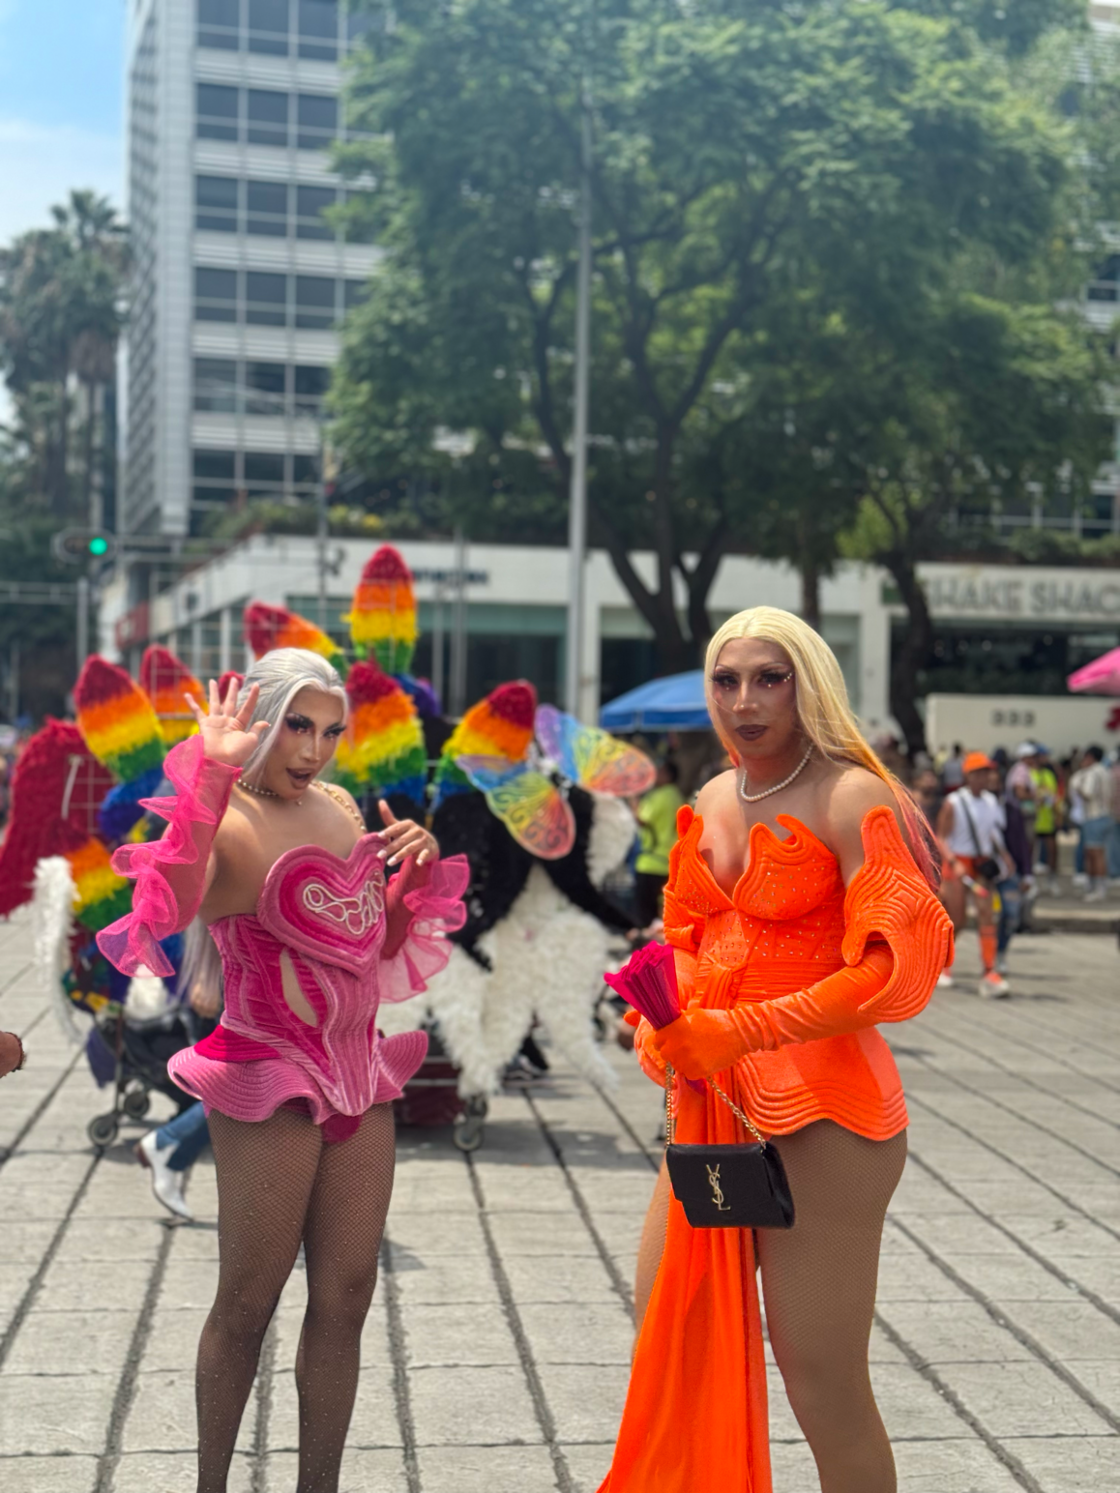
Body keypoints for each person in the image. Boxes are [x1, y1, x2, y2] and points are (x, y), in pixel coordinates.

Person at [598, 606, 951, 1493]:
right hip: (710, 1107)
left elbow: (889, 970)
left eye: (770, 677)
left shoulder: (852, 795)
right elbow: (683, 933)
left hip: (828, 1116)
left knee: (823, 1383)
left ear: (810, 684)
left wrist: (747, 1027)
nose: (746, 700)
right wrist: (660, 1014)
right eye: (727, 680)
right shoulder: (711, 800)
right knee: (669, 1341)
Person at [96, 650, 468, 1493]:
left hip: (359, 1075)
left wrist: (411, 881)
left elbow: (369, 950)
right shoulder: (223, 820)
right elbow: (174, 906)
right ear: (257, 715)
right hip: (266, 1076)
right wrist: (207, 782)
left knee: (348, 1293)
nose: (314, 748)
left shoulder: (340, 807)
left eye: (331, 730)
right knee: (247, 1303)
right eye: (297, 724)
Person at [936, 752, 1012, 997]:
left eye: (987, 772)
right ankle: (943, 966)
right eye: (979, 772)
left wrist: (1004, 856)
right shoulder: (954, 802)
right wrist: (951, 861)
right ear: (968, 775)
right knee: (957, 920)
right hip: (958, 864)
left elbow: (992, 834)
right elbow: (941, 837)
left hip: (981, 864)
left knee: (987, 914)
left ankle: (989, 971)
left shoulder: (992, 801)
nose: (985, 777)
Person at [632, 759, 685, 929]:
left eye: (660, 771)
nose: (655, 775)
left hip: (651, 862)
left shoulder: (661, 796)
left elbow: (642, 820)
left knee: (646, 916)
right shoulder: (677, 795)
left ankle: (648, 948)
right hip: (668, 861)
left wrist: (631, 797)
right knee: (663, 911)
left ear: (668, 775)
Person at [1070, 745, 1112, 902]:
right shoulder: (1105, 771)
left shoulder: (1093, 773)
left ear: (1090, 757)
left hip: (1094, 816)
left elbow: (1087, 793)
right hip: (1104, 815)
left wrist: (1077, 785)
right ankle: (1098, 886)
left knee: (1095, 854)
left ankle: (1097, 888)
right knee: (1097, 852)